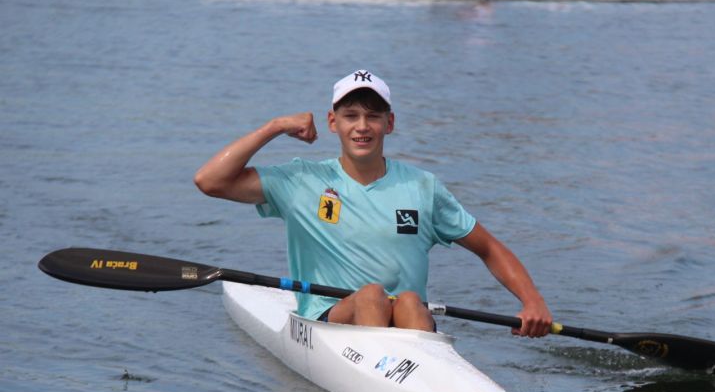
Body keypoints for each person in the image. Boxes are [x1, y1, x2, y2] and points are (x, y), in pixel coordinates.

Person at [194, 69, 552, 337]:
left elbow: (489, 248)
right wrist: (275, 126)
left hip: (408, 323)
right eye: (351, 116)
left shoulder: (422, 187)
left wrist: (532, 301)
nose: (362, 127)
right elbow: (210, 181)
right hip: (330, 324)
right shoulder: (302, 181)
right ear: (333, 123)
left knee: (409, 301)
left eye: (373, 116)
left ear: (389, 123)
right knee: (372, 296)